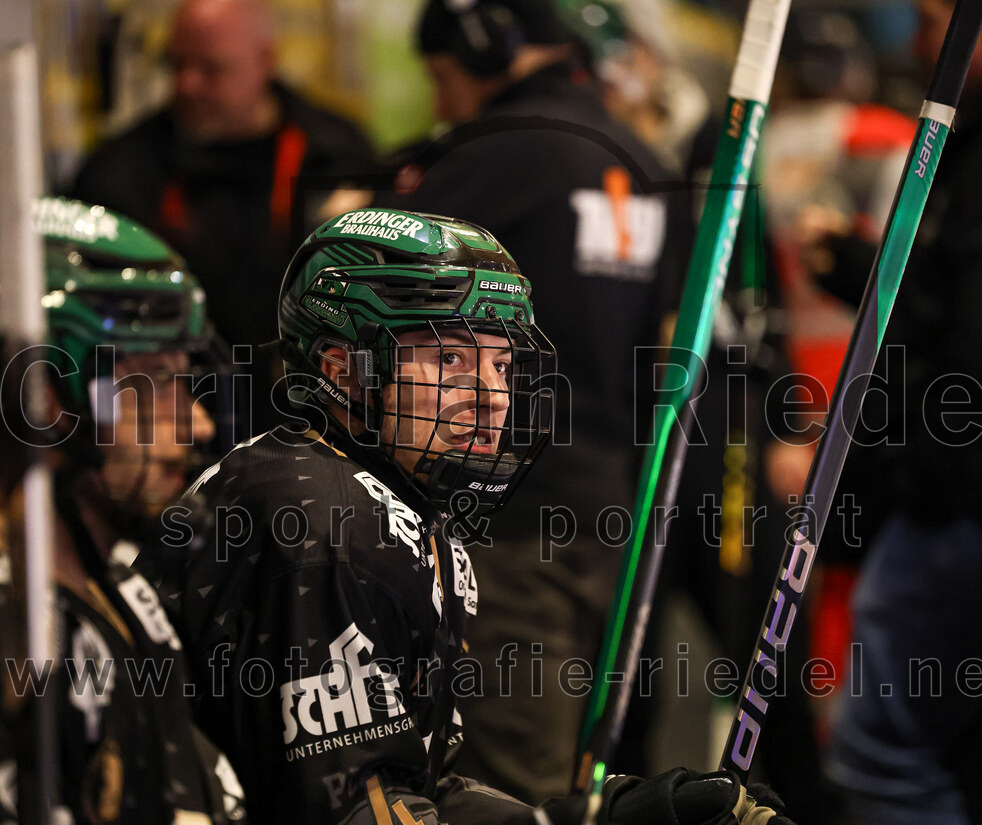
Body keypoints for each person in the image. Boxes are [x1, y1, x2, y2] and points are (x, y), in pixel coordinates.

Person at [134, 207, 793, 825]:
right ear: (342, 369)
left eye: (502, 363)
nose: (492, 398)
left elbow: (415, 788)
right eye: (449, 358)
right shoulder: (318, 517)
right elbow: (351, 810)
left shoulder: (392, 503)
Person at [370, 0, 690, 801]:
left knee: (509, 786)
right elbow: (676, 345)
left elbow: (378, 313)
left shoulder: (484, 158)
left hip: (505, 528)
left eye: (443, 78)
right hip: (619, 514)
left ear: (488, 50)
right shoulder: (645, 160)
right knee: (597, 774)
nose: (442, 101)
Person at [823, 1, 982, 823]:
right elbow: (954, 303)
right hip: (973, 502)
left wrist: (926, 478)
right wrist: (858, 270)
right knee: (955, 747)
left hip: (967, 510)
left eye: (934, 19)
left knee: (883, 757)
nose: (915, 42)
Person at [0, 196, 245, 824]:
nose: (198, 421)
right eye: (157, 382)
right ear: (49, 396)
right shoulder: (21, 634)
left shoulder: (127, 586)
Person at [68, 0, 377, 439]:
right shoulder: (120, 173)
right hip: (177, 428)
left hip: (316, 425)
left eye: (211, 69)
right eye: (176, 64)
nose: (187, 84)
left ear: (265, 62)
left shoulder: (338, 156)